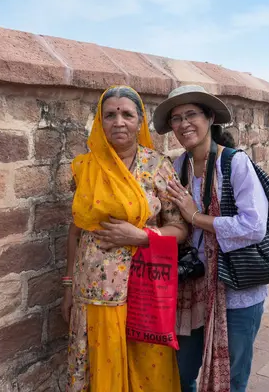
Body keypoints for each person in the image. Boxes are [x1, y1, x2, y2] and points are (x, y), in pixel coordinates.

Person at [62, 85, 189, 392]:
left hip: (144, 291)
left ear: (139, 121)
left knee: (147, 371)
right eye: (110, 115)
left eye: (127, 114)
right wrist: (67, 285)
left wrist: (142, 236)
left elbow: (180, 229)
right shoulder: (84, 168)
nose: (118, 122)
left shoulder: (157, 166)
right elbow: (76, 230)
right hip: (93, 292)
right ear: (100, 122)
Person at [153, 85, 269, 392]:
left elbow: (254, 225)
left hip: (235, 289)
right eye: (176, 118)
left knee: (231, 378)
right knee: (180, 372)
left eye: (191, 114)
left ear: (210, 118)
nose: (184, 123)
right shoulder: (177, 167)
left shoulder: (234, 163)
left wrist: (195, 217)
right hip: (192, 288)